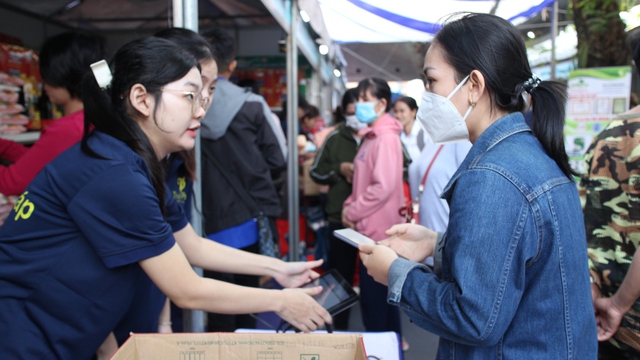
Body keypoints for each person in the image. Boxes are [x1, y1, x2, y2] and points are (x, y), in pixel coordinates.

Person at [0, 36, 331, 359]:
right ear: (142, 99)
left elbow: (192, 246)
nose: (201, 111)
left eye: (204, 97)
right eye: (190, 96)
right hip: (22, 334)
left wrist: (278, 268)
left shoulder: (134, 162)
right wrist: (279, 301)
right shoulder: (114, 173)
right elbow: (186, 289)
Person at [358, 13, 597, 359]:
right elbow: (520, 259)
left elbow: (472, 316)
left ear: (474, 85)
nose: (427, 96)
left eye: (432, 81)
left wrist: (396, 273)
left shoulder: (492, 176)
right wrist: (437, 244)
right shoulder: (528, 154)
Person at [199, 27, 287, 332]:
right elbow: (279, 159)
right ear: (233, 65)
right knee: (249, 300)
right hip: (248, 219)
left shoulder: (187, 107)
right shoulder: (252, 105)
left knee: (212, 304)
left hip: (201, 221)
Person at [155, 26, 220, 335]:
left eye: (211, 88)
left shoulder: (175, 154)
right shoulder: (120, 169)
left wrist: (281, 271)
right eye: (193, 90)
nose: (203, 103)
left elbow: (187, 244)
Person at [581, 41, 640, 359]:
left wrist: (592, 289)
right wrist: (619, 305)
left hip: (604, 325)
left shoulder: (608, 135)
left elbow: (579, 218)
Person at [0, 31, 104, 196]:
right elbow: (40, 159)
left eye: (46, 76)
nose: (43, 84)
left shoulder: (70, 128)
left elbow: (10, 183)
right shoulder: (99, 116)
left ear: (61, 73)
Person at [341, 77, 405, 338]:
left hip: (379, 233)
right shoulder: (371, 136)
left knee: (377, 304)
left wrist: (352, 211)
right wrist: (350, 206)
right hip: (369, 230)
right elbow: (361, 182)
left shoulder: (385, 138)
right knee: (377, 301)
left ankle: (384, 350)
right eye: (358, 98)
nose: (359, 104)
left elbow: (383, 186)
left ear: (381, 104)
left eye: (364, 99)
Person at [309, 87, 363, 330]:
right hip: (339, 217)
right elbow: (315, 172)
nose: (355, 117)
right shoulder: (334, 138)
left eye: (359, 111)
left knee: (373, 279)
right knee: (340, 275)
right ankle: (338, 328)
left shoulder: (377, 136)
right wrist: (338, 171)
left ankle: (375, 328)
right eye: (350, 112)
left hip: (370, 220)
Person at [393, 96, 424, 161]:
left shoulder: (424, 134)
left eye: (402, 111)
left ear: (414, 112)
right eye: (396, 111)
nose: (398, 115)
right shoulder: (397, 135)